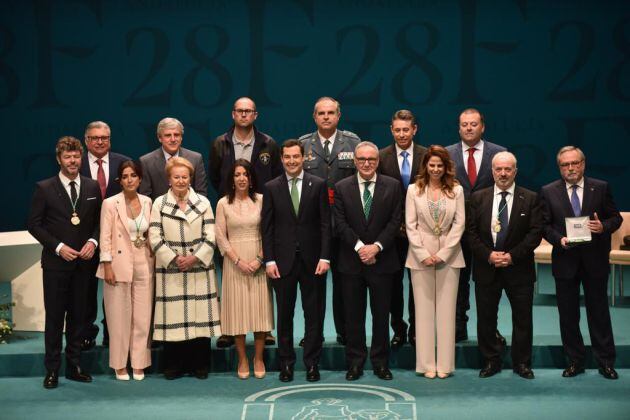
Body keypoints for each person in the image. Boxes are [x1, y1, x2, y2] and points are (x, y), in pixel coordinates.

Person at [540, 146, 621, 380]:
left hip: (594, 260)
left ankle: (605, 362)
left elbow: (614, 217)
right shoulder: (548, 191)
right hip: (565, 260)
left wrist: (603, 227)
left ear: (583, 164)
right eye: (565, 165)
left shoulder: (601, 187)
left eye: (575, 163)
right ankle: (575, 361)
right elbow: (544, 226)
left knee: (599, 313)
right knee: (568, 315)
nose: (571, 168)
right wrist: (559, 239)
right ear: (559, 168)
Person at [27, 136, 101, 389]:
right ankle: (52, 370)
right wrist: (58, 247)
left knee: (80, 317)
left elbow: (99, 223)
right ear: (59, 159)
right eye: (67, 157)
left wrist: (93, 242)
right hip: (56, 265)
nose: (72, 161)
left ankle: (74, 366)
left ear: (81, 158)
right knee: (55, 318)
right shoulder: (44, 188)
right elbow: (34, 225)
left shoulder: (92, 187)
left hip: (84, 265)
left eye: (76, 156)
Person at [209, 97, 281, 349]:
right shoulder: (220, 143)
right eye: (239, 111)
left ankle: (265, 329)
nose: (243, 115)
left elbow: (275, 176)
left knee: (266, 271)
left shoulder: (268, 144)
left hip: (262, 209)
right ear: (233, 114)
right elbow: (215, 175)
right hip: (232, 213)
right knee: (231, 276)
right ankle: (230, 330)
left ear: (255, 115)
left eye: (248, 111)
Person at [467, 152, 542, 379]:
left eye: (508, 169)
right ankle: (491, 360)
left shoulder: (530, 198)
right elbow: (469, 233)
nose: (503, 173)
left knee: (522, 319)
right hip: (486, 268)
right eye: (498, 169)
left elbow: (535, 233)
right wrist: (489, 255)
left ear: (515, 172)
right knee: (487, 318)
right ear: (492, 171)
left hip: (518, 269)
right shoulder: (478, 198)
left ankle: (522, 363)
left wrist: (511, 256)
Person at [261, 139, 331, 382]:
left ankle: (312, 364)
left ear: (304, 158)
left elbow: (325, 224)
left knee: (314, 314)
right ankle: (287, 364)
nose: (291, 161)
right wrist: (269, 260)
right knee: (285, 315)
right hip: (282, 262)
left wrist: (325, 256)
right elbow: (266, 228)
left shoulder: (319, 184)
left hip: (314, 262)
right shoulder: (271, 187)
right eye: (287, 157)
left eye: (296, 157)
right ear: (281, 159)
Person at [334, 141, 402, 381]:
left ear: (377, 161)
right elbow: (340, 223)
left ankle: (381, 362)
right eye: (361, 159)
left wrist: (376, 247)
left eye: (371, 160)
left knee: (381, 316)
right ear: (354, 161)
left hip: (383, 262)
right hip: (351, 262)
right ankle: (355, 362)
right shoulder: (341, 187)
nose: (366, 164)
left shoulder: (393, 186)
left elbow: (395, 221)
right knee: (353, 316)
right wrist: (361, 248)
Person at [148, 157, 221, 379]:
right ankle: (174, 365)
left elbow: (211, 235)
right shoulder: (159, 204)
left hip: (199, 268)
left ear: (191, 179)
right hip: (171, 270)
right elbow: (154, 235)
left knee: (199, 317)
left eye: (185, 177)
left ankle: (199, 364)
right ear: (169, 179)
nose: (181, 181)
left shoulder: (204, 203)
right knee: (174, 317)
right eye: (176, 177)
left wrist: (194, 258)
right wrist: (173, 258)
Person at [299, 96, 360, 346]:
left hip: (345, 226)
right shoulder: (303, 145)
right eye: (321, 113)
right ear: (314, 117)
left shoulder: (353, 142)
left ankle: (345, 333)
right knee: (314, 287)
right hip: (315, 228)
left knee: (346, 284)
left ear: (339, 115)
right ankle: (313, 334)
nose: (326, 117)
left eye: (331, 112)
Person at [446, 108, 507, 344]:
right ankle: (458, 327)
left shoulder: (499, 153)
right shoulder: (447, 154)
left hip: (488, 230)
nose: (469, 128)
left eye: (473, 124)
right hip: (455, 229)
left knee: (488, 283)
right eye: (464, 124)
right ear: (459, 127)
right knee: (458, 281)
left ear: (482, 126)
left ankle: (490, 329)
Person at [405, 145, 464, 379]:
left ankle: (445, 365)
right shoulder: (413, 190)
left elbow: (459, 225)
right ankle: (427, 365)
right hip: (420, 257)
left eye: (440, 165)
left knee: (447, 312)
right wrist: (423, 253)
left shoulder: (456, 191)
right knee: (424, 312)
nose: (436, 169)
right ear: (426, 166)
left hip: (450, 257)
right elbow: (410, 225)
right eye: (432, 165)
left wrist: (443, 253)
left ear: (446, 167)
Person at [215, 159, 274, 379]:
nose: (241, 178)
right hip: (234, 263)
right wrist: (238, 261)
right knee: (238, 313)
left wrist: (260, 259)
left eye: (245, 175)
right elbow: (220, 236)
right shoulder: (222, 203)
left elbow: (269, 231)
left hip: (259, 259)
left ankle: (258, 358)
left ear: (251, 179)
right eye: (237, 174)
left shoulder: (261, 200)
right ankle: (242, 359)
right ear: (231, 180)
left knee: (259, 312)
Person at [96, 160, 154, 381]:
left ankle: (139, 363)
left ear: (140, 179)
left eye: (133, 175)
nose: (130, 180)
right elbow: (105, 237)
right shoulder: (110, 203)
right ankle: (119, 364)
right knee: (118, 317)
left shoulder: (148, 202)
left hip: (144, 262)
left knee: (142, 315)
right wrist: (107, 264)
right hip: (117, 264)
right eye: (125, 176)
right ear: (120, 180)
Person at [80, 120, 131, 349]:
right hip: (85, 236)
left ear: (109, 140)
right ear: (86, 141)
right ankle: (87, 332)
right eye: (94, 138)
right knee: (87, 287)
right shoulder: (75, 164)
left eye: (104, 138)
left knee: (115, 284)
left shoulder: (123, 163)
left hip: (118, 235)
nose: (100, 141)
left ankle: (113, 331)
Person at [378, 109, 427, 348]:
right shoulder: (381, 156)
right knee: (393, 285)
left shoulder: (427, 157)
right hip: (392, 234)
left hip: (422, 233)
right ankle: (398, 328)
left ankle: (418, 329)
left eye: (406, 130)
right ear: (391, 130)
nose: (401, 134)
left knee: (419, 283)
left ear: (414, 130)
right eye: (397, 130)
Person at [139, 117, 207, 200]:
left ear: (181, 137)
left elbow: (201, 194)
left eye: (176, 135)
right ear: (160, 138)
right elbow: (145, 199)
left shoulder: (195, 159)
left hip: (190, 211)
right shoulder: (146, 162)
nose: (173, 139)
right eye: (168, 135)